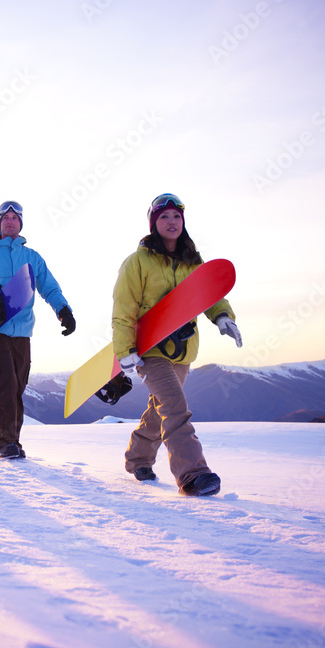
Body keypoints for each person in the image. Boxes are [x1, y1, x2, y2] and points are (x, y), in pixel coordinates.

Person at [112, 194, 242, 496]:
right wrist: (125, 350)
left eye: (176, 217)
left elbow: (210, 295)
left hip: (183, 350)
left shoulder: (192, 261)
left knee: (160, 410)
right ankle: (193, 475)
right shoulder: (137, 262)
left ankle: (137, 458)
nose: (172, 222)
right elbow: (124, 308)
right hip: (149, 349)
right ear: (153, 224)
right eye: (164, 217)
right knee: (175, 407)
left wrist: (223, 317)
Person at [0, 200, 76, 459]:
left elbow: (49, 286)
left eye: (15, 217)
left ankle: (13, 439)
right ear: (0, 223)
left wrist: (63, 310)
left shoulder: (32, 257)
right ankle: (3, 441)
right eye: (6, 218)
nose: (10, 221)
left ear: (20, 224)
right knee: (6, 381)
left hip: (23, 332)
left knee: (18, 386)